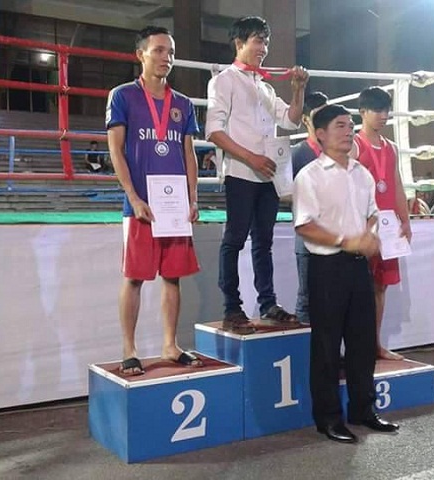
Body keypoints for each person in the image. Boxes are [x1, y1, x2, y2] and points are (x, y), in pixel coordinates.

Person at [294, 104, 399, 444]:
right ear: (320, 134)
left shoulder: (361, 174)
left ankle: (363, 410)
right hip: (327, 267)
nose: (348, 130)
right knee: (326, 346)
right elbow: (304, 225)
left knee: (362, 342)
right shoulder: (309, 176)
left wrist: (369, 235)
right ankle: (328, 418)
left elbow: (372, 213)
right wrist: (346, 240)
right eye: (340, 125)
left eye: (350, 124)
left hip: (358, 266)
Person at [106, 26, 202, 375]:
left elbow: (188, 153)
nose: (166, 58)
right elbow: (115, 150)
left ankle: (169, 345)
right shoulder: (122, 96)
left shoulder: (183, 104)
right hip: (141, 205)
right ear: (140, 54)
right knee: (134, 277)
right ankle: (129, 349)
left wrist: (193, 198)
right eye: (159, 50)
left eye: (171, 52)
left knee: (173, 277)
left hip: (174, 205)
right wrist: (133, 197)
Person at [206, 15, 309, 334]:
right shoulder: (223, 80)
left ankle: (268, 303)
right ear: (239, 43)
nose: (263, 48)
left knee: (263, 242)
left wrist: (298, 90)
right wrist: (251, 157)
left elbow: (291, 120)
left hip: (268, 175)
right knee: (234, 240)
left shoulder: (264, 86)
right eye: (258, 41)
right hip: (240, 172)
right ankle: (231, 308)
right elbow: (214, 131)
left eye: (266, 42)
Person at [351, 87, 411, 361]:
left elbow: (396, 185)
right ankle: (356, 348)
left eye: (386, 110)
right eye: (377, 110)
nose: (383, 115)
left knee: (380, 287)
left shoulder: (392, 148)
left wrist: (405, 221)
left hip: (387, 226)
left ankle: (374, 345)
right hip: (362, 226)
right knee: (358, 288)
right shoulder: (354, 144)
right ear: (363, 112)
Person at [291, 91, 328, 324]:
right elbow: (287, 192)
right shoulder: (298, 153)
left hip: (332, 234)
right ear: (305, 119)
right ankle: (306, 343)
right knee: (306, 296)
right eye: (319, 114)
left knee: (330, 294)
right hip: (307, 235)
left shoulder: (335, 152)